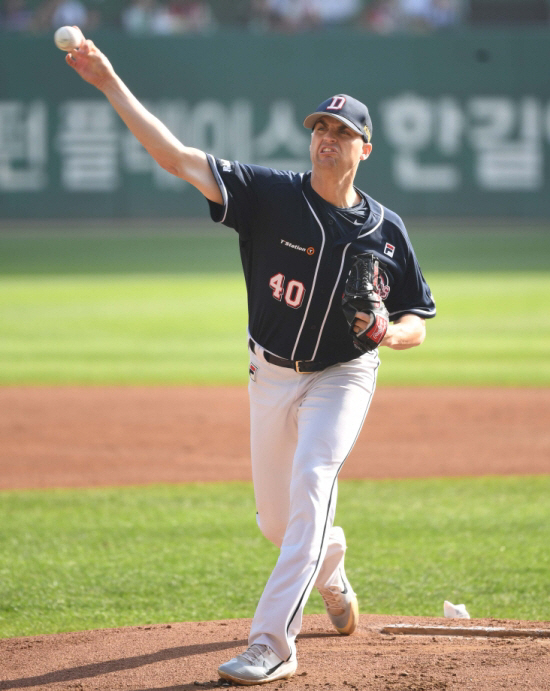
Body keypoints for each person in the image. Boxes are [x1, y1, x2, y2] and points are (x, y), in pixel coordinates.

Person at [65, 37, 436, 686]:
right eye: (320, 127)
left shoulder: (387, 229)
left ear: (365, 149)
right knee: (278, 521)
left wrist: (389, 334)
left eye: (342, 131)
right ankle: (332, 566)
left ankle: (273, 644)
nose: (327, 138)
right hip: (269, 374)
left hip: (344, 375)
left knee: (314, 478)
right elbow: (174, 157)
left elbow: (417, 320)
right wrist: (108, 82)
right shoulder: (269, 195)